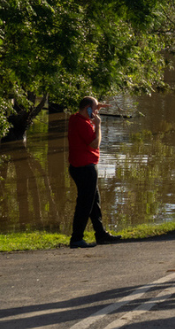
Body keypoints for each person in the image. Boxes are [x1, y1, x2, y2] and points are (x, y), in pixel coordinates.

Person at [67, 97, 121, 248]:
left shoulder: (74, 119)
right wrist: (98, 125)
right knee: (85, 204)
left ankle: (101, 234)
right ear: (87, 109)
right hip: (85, 168)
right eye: (95, 109)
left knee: (94, 202)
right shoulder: (84, 124)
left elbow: (85, 113)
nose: (97, 112)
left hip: (79, 167)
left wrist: (96, 108)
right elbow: (95, 143)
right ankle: (76, 238)